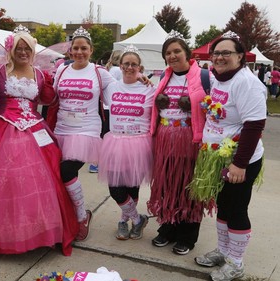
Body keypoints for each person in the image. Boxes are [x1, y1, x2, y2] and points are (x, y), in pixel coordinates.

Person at [0, 25, 79, 268]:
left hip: (36, 129)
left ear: (33, 51)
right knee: (5, 180)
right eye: (19, 48)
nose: (23, 52)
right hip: (3, 127)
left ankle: (40, 230)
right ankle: (4, 233)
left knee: (44, 178)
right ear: (11, 49)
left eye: (27, 48)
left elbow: (51, 99)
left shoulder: (40, 74)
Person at [190, 31, 266, 281]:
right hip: (216, 158)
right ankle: (223, 252)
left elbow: (254, 125)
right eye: (216, 53)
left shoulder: (247, 82)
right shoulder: (217, 77)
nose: (219, 57)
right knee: (223, 206)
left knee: (236, 209)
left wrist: (238, 164)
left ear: (241, 56)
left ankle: (236, 263)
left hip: (238, 160)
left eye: (226, 53)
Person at [146, 30, 211, 255]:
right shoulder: (163, 77)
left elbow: (214, 106)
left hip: (189, 141)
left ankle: (187, 236)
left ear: (187, 53)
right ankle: (168, 228)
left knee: (188, 187)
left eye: (176, 51)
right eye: (168, 53)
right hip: (164, 139)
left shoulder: (204, 76)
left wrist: (194, 105)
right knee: (166, 186)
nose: (172, 56)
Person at [52, 26, 117, 241]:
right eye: (75, 48)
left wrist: (140, 81)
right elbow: (51, 96)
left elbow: (119, 95)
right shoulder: (61, 70)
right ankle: (66, 214)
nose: (79, 52)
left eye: (84, 48)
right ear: (70, 51)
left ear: (91, 50)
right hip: (61, 130)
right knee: (60, 175)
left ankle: (81, 217)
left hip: (86, 131)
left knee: (66, 172)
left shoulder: (100, 73)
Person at [98, 45, 154, 240]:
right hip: (115, 142)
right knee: (115, 188)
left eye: (134, 64)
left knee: (132, 187)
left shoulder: (149, 89)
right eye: (126, 64)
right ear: (119, 66)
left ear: (141, 68)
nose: (130, 67)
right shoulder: (110, 87)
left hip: (139, 144)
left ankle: (124, 221)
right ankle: (138, 219)